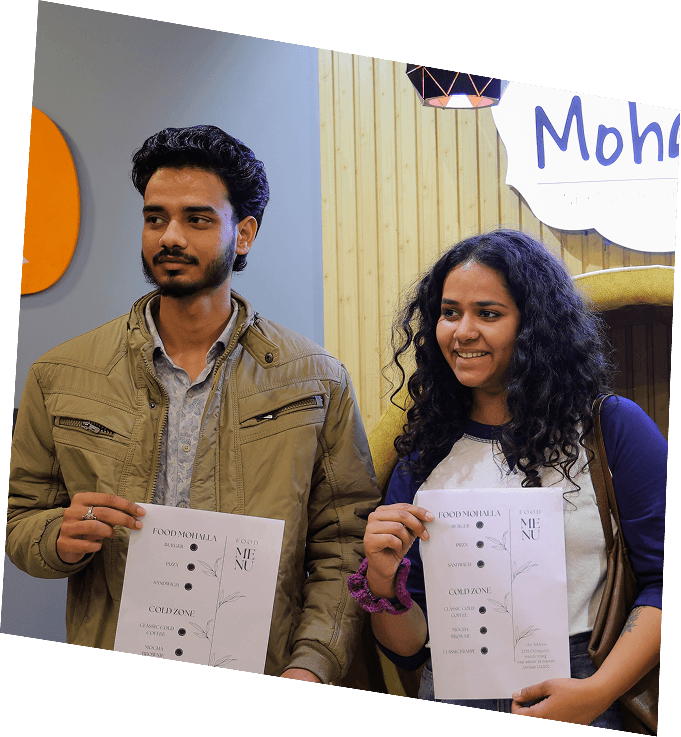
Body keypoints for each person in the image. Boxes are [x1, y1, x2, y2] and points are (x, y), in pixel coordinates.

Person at [7, 124, 379, 684]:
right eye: (155, 218)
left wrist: (312, 665)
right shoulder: (61, 375)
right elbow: (21, 519)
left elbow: (345, 544)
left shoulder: (315, 380)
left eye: (197, 219)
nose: (170, 237)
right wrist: (56, 538)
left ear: (244, 233)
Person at [348, 230, 664, 726]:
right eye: (450, 312)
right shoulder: (425, 451)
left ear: (535, 325)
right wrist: (383, 582)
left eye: (488, 314)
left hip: (584, 690)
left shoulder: (610, 427)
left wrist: (597, 692)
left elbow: (665, 581)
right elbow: (408, 650)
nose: (462, 331)